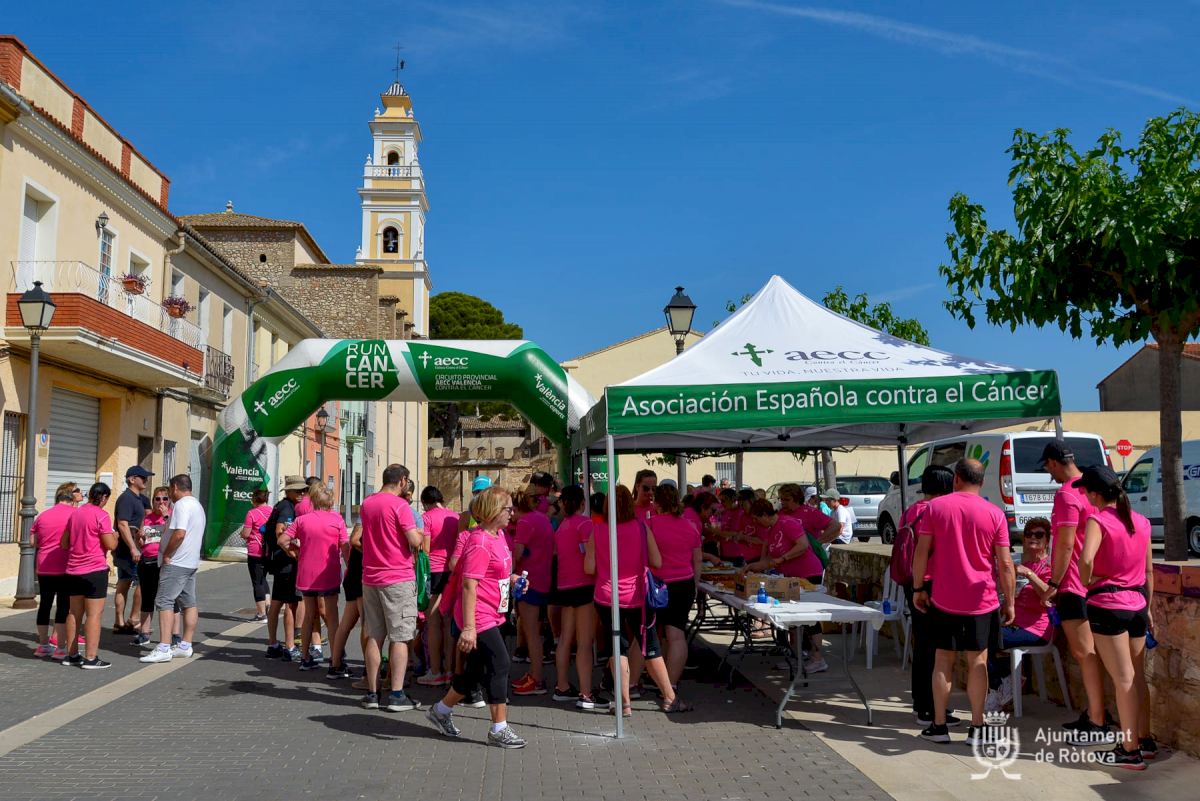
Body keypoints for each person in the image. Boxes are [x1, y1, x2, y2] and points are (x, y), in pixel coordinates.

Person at [912, 459, 1015, 748]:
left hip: (943, 598)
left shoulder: (935, 508)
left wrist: (918, 587)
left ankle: (939, 726)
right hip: (982, 600)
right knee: (978, 662)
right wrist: (1010, 602)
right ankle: (977, 727)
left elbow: (921, 552)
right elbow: (1006, 563)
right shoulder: (995, 513)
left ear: (956, 478)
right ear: (982, 481)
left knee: (942, 661)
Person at [426, 487, 527, 748]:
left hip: (495, 611)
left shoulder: (500, 535)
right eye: (508, 509)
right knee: (501, 663)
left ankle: (441, 710)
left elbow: (497, 572)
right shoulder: (479, 542)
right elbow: (469, 585)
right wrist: (469, 628)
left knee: (475, 671)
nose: (512, 513)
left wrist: (514, 579)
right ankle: (499, 728)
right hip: (479, 615)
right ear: (494, 511)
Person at [587, 484, 691, 717]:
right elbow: (657, 561)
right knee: (651, 647)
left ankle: (624, 703)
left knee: (618, 648)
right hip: (636, 596)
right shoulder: (642, 528)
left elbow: (589, 567)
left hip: (606, 596)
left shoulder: (598, 530)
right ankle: (670, 697)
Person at [1077, 465, 1155, 769]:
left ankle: (1129, 750)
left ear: (1095, 494)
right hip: (1137, 604)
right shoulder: (1141, 521)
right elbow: (1149, 571)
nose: (1085, 496)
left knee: (1123, 680)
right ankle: (1145, 740)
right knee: (1137, 677)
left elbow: (1086, 558)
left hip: (1108, 603)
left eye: (1086, 491)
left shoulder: (1098, 520)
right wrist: (1148, 608)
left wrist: (1087, 580)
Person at [1041, 440, 1109, 738]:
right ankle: (1096, 711)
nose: (1049, 473)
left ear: (1054, 463)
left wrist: (1054, 583)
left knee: (1084, 653)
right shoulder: (1095, 488)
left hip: (1073, 584)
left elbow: (1066, 544)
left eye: (1048, 467)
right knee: (1097, 653)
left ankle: (1097, 718)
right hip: (1099, 582)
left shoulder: (1066, 494)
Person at [359, 464, 423, 712]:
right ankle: (397, 694)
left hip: (371, 576)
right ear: (403, 481)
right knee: (400, 636)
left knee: (374, 634)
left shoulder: (367, 504)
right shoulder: (400, 505)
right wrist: (419, 534)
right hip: (397, 577)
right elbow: (414, 540)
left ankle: (372, 693)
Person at [897, 465, 957, 727]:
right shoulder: (937, 511)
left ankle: (922, 703)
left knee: (923, 644)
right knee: (935, 648)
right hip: (930, 584)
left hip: (912, 582)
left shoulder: (911, 511)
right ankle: (930, 708)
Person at [745, 499, 829, 673]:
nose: (755, 522)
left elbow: (803, 545)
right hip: (791, 577)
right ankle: (797, 655)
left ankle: (818, 658)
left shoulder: (787, 523)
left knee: (809, 618)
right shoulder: (771, 530)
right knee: (793, 618)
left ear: (764, 515)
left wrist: (783, 559)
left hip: (808, 573)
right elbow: (770, 560)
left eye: (756, 518)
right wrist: (752, 567)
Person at [986, 518, 1055, 711]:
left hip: (1036, 629)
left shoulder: (1049, 567)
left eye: (1039, 534)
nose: (1033, 538)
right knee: (979, 637)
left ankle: (1000, 685)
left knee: (986, 638)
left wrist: (1029, 574)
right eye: (1028, 534)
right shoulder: (1019, 563)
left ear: (1047, 540)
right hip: (1014, 624)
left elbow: (1048, 594)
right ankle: (1004, 681)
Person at [282, 482, 348, 671]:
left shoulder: (302, 520)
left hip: (306, 575)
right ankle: (336, 662)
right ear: (330, 502)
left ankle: (305, 657)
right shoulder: (337, 520)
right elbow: (345, 547)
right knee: (332, 618)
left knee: (309, 616)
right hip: (328, 574)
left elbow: (282, 539)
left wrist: (294, 551)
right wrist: (350, 567)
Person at [139, 475, 206, 663]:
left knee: (164, 601)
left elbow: (179, 533)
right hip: (190, 562)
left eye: (169, 490)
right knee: (188, 603)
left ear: (175, 487)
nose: (169, 494)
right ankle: (185, 644)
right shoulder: (197, 505)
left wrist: (167, 554)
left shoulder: (182, 505)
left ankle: (164, 647)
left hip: (177, 562)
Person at [548, 485, 604, 707]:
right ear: (583, 503)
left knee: (565, 638)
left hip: (565, 585)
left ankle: (562, 686)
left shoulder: (562, 526)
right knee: (584, 642)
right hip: (584, 585)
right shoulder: (584, 524)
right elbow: (591, 554)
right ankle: (586, 692)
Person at [647, 484, 702, 688]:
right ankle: (671, 684)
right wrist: (695, 584)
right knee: (677, 635)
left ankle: (656, 680)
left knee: (652, 634)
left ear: (657, 502)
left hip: (657, 584)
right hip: (684, 583)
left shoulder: (650, 524)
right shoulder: (690, 526)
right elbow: (697, 559)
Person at [62, 482, 118, 669]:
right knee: (94, 615)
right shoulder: (101, 515)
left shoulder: (75, 513)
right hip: (94, 570)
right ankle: (91, 658)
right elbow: (110, 544)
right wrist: (116, 537)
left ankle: (71, 655)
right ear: (103, 497)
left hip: (73, 570)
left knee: (74, 613)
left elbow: (64, 543)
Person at [511, 489, 554, 696]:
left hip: (528, 581)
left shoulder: (525, 522)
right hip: (543, 578)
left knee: (531, 632)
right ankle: (533, 674)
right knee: (534, 629)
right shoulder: (542, 518)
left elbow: (517, 554)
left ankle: (537, 679)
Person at [417, 486, 459, 687]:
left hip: (433, 571)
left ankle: (435, 671)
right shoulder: (454, 517)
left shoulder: (426, 518)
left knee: (433, 622)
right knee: (449, 620)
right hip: (451, 571)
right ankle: (450, 670)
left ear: (426, 502)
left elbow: (425, 548)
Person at [263, 476, 306, 660]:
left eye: (303, 490)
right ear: (289, 491)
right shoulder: (287, 508)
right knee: (291, 604)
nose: (302, 493)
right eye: (298, 490)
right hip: (286, 562)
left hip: (278, 560)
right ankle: (289, 646)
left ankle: (273, 644)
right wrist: (293, 553)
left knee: (276, 602)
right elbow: (280, 531)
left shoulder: (281, 505)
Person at [32, 483, 77, 658]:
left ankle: (43, 645)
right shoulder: (74, 514)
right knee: (63, 606)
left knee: (45, 604)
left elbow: (33, 542)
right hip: (65, 565)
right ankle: (60, 647)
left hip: (44, 566)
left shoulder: (43, 516)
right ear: (71, 499)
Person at [112, 465, 152, 634]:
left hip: (128, 548)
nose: (146, 480)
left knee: (125, 582)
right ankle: (133, 620)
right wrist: (133, 548)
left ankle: (120, 622)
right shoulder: (127, 498)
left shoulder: (137, 498)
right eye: (143, 477)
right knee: (142, 583)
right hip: (128, 550)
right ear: (132, 479)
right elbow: (122, 524)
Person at [133, 487, 172, 647]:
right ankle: (144, 632)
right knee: (147, 597)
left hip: (163, 561)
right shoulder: (147, 518)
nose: (161, 502)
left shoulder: (171, 517)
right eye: (157, 499)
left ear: (169, 501)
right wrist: (139, 538)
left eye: (165, 499)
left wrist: (166, 516)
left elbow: (175, 535)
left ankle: (172, 636)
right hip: (147, 560)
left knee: (167, 599)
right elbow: (141, 543)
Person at [241, 488, 272, 622]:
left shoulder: (252, 513)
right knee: (263, 579)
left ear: (254, 499)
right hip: (269, 550)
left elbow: (246, 533)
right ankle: (268, 607)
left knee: (257, 582)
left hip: (256, 551)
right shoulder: (273, 511)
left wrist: (242, 534)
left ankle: (261, 614)